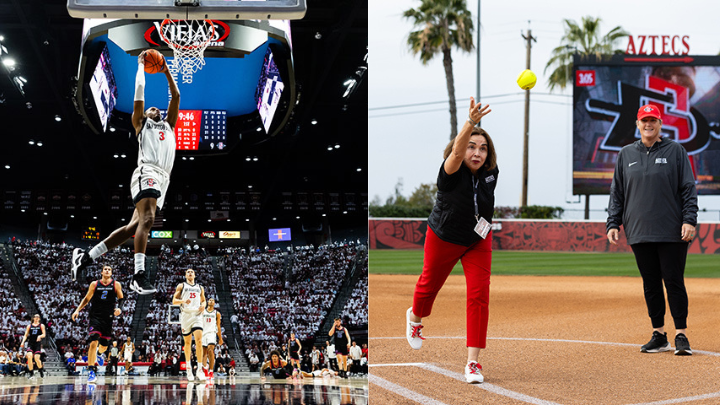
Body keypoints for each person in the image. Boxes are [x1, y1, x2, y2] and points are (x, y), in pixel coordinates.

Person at [71, 49, 180, 295]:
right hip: (146, 172)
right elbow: (140, 91)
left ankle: (86, 257)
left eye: (156, 108)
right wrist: (142, 65)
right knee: (149, 220)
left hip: (163, 179)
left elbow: (176, 94)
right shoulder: (141, 123)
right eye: (150, 108)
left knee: (133, 228)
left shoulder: (169, 125)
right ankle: (138, 276)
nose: (155, 108)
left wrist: (166, 71)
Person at [406, 98, 495, 384]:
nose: (477, 152)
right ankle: (415, 318)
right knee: (428, 285)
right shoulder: (450, 171)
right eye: (472, 145)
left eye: (482, 148)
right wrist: (470, 124)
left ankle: (472, 364)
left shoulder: (491, 174)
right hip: (444, 236)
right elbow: (456, 153)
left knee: (479, 295)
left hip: (478, 240)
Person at [607, 104, 698, 356]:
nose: (648, 124)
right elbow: (618, 191)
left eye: (653, 120)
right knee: (650, 285)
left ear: (660, 124)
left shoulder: (676, 151)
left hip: (672, 230)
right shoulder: (625, 154)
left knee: (674, 281)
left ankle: (681, 334)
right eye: (644, 120)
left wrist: (689, 219)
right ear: (638, 124)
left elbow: (688, 189)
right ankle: (659, 334)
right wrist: (613, 222)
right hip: (639, 230)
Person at [72, 265, 125, 384]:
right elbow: (86, 299)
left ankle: (100, 354)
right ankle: (91, 371)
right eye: (105, 269)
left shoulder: (116, 285)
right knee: (93, 342)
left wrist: (120, 309)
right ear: (101, 272)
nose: (107, 270)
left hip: (108, 318)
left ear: (111, 273)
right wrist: (77, 310)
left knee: (104, 346)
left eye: (109, 269)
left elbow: (121, 299)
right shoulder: (94, 284)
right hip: (95, 317)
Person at [172, 268, 206, 381]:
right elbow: (174, 301)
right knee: (187, 343)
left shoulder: (200, 287)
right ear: (186, 275)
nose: (190, 273)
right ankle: (188, 368)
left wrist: (203, 306)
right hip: (186, 315)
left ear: (195, 275)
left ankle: (200, 369)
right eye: (188, 272)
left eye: (192, 272)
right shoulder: (181, 286)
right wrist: (182, 301)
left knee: (199, 341)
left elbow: (204, 300)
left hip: (197, 315)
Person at [201, 298, 223, 379]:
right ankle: (205, 369)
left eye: (213, 300)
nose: (211, 301)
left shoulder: (217, 313)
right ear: (207, 302)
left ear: (214, 303)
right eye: (210, 300)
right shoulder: (202, 311)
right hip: (203, 333)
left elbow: (218, 326)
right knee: (204, 353)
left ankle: (211, 371)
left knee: (210, 349)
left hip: (212, 333)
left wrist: (220, 338)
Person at [20, 314, 46, 379]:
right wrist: (22, 342)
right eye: (35, 317)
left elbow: (44, 334)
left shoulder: (41, 325)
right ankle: (31, 373)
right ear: (33, 318)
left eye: (38, 317)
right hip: (30, 343)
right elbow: (26, 335)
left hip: (37, 344)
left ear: (39, 319)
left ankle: (41, 370)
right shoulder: (29, 326)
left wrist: (40, 336)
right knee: (29, 356)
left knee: (37, 358)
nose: (37, 318)